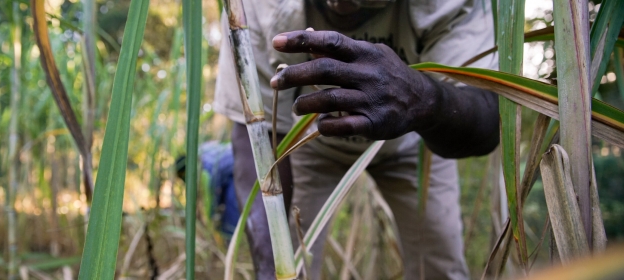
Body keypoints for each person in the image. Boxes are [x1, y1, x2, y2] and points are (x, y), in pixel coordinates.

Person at [213, 0, 499, 279]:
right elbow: (256, 135)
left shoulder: (451, 5)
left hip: (413, 139)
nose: (342, 5)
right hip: (309, 144)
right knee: (290, 264)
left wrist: (423, 99)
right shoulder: (253, 6)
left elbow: (487, 124)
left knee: (440, 265)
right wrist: (270, 266)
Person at [176, 141, 240, 240]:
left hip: (238, 167)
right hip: (232, 165)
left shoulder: (206, 171)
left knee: (230, 215)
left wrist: (209, 220)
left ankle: (231, 240)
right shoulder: (200, 151)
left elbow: (211, 199)